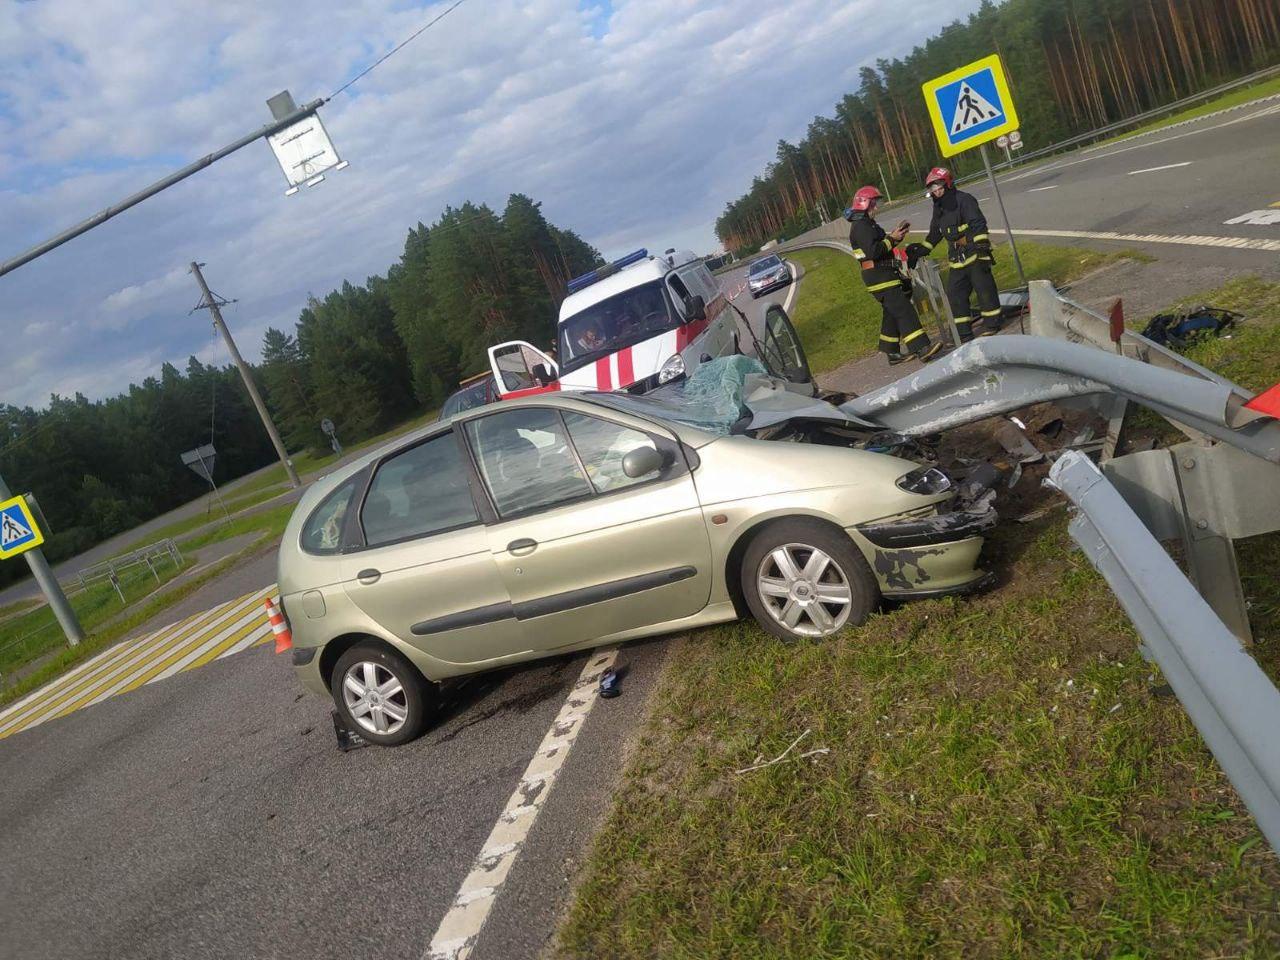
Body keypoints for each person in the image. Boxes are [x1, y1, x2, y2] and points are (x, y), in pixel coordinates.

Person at [846, 186, 942, 365]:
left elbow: (881, 246)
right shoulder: (861, 226)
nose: (877, 208)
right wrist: (891, 239)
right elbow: (874, 251)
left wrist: (896, 237)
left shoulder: (867, 224)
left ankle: (891, 352)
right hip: (879, 277)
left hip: (882, 274)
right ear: (865, 204)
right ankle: (922, 349)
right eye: (874, 204)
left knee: (891, 312)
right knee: (904, 310)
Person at [909, 167, 1001, 341]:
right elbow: (935, 233)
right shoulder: (939, 207)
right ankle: (963, 334)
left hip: (974, 250)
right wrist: (921, 250)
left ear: (948, 183)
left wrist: (982, 249)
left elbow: (978, 224)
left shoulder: (964, 200)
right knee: (955, 294)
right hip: (956, 256)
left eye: (939, 187)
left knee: (984, 289)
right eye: (933, 189)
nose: (936, 192)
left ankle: (993, 324)